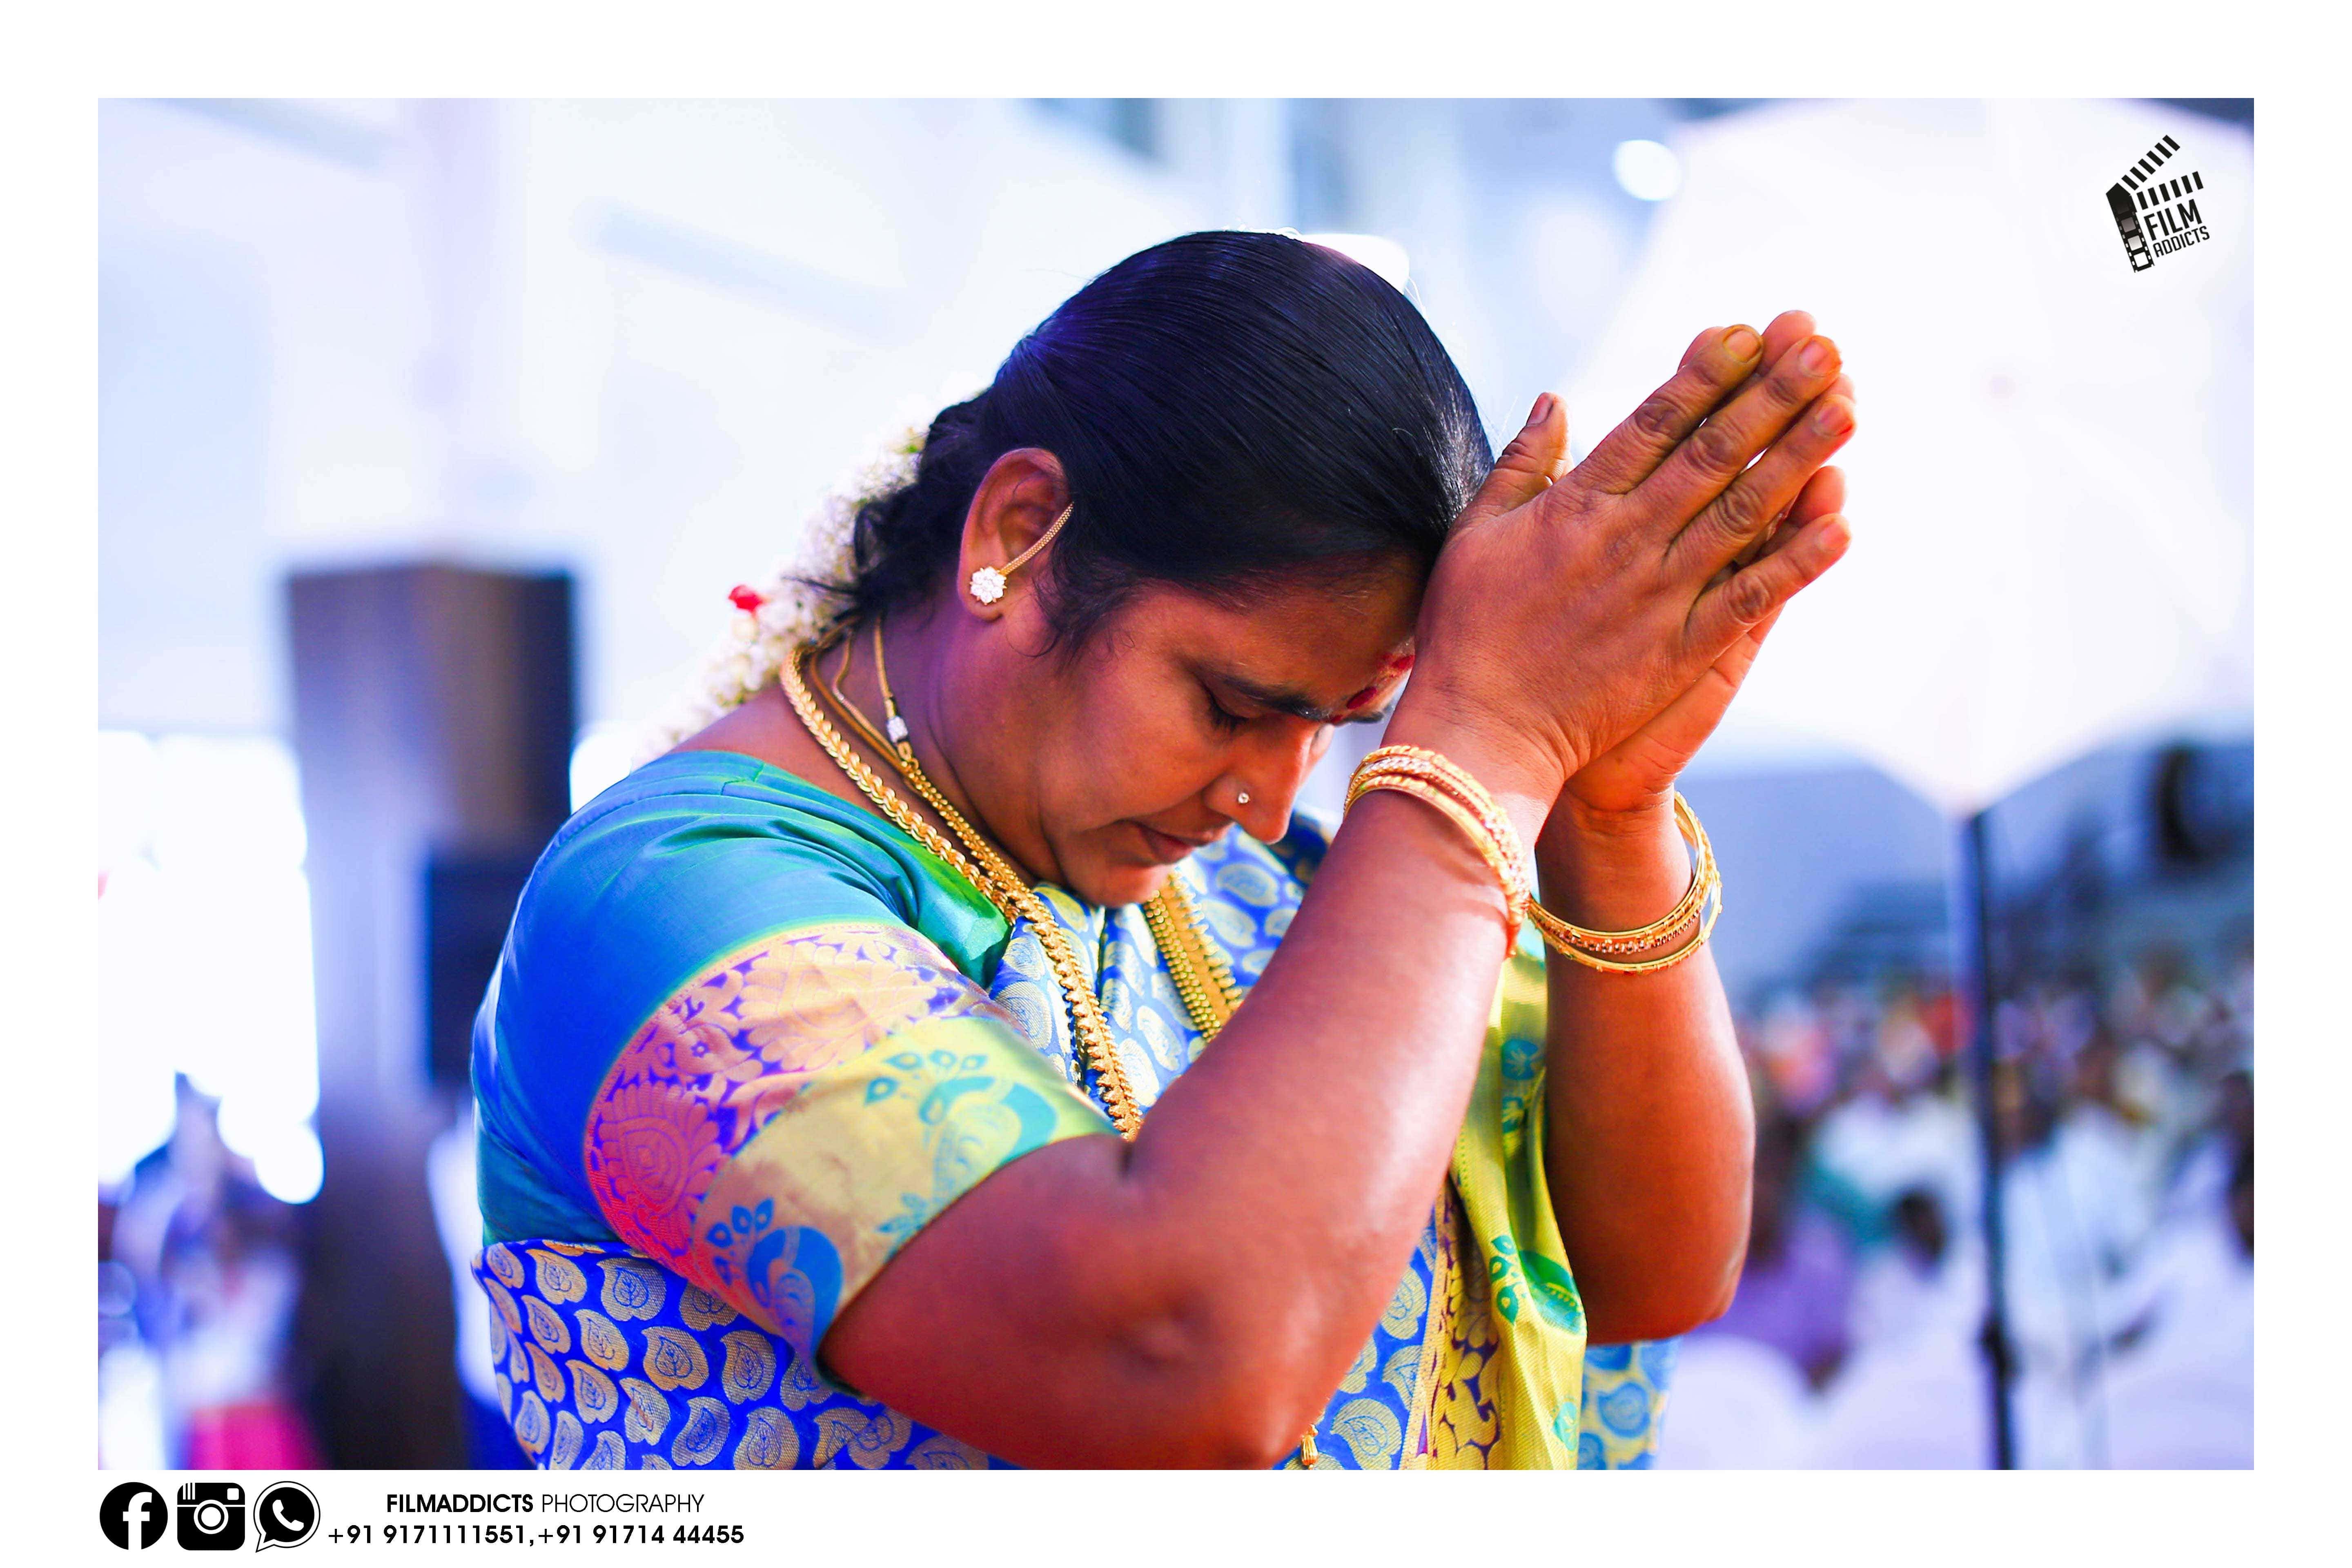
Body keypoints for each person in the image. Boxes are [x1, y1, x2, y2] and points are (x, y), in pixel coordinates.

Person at [468, 231, 1856, 1468]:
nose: (1266, 798)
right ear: (1022, 533)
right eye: (1236, 707)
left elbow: (1652, 1267)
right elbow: (1180, 1358)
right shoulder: (668, 898)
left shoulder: (1269, 882)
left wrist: (1606, 812)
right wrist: (1482, 746)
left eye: (1334, 727)